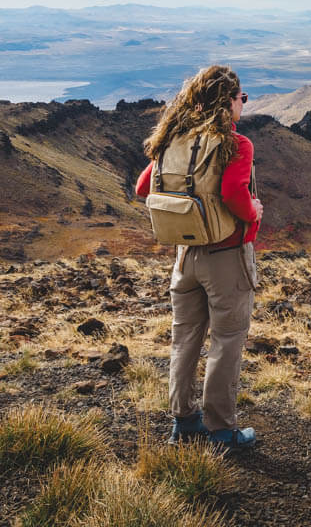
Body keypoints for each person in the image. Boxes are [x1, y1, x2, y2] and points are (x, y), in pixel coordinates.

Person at [135, 65, 263, 452]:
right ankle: (223, 430)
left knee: (184, 338)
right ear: (228, 101)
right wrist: (254, 210)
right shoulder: (234, 144)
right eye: (241, 97)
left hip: (184, 257)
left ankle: (184, 423)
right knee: (226, 340)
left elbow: (143, 188)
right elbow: (233, 194)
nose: (243, 104)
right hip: (225, 257)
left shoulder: (173, 140)